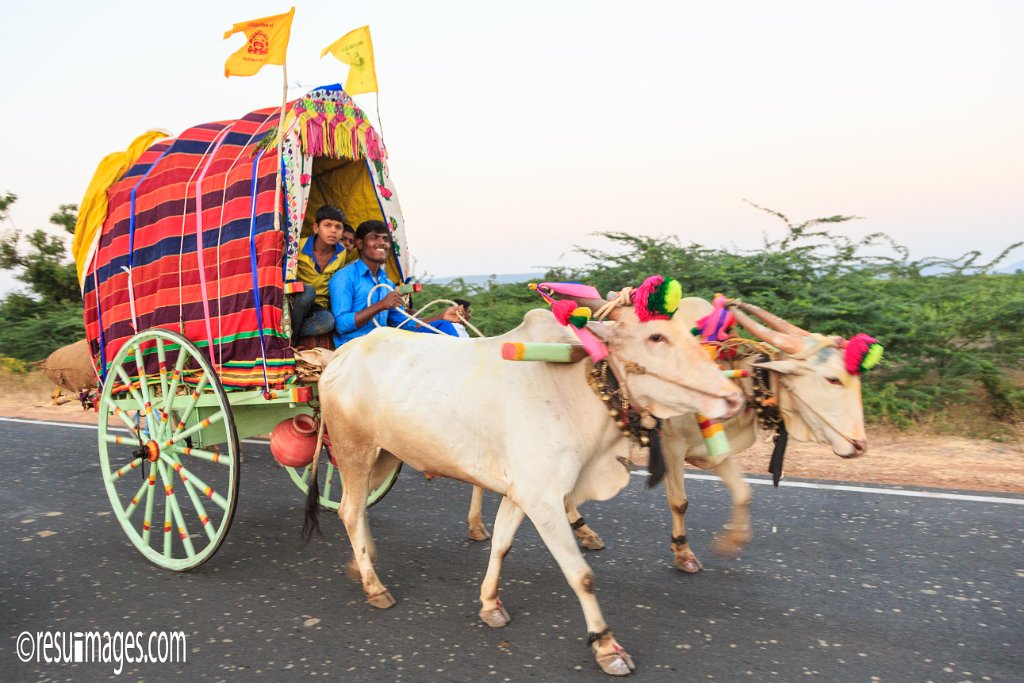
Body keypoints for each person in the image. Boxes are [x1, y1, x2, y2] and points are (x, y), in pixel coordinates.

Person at [330, 220, 462, 346]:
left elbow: (403, 324)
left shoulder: (386, 283)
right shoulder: (344, 277)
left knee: (444, 326)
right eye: (374, 238)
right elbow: (341, 325)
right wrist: (381, 305)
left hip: (381, 342)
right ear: (359, 244)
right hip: (354, 346)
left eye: (385, 239)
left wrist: (441, 316)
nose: (382, 243)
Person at [290, 205, 348, 344]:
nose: (333, 231)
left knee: (328, 322)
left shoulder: (342, 253)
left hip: (318, 306)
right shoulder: (298, 246)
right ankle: (289, 342)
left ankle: (288, 331)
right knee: (308, 291)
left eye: (338, 227)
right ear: (316, 228)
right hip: (296, 300)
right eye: (327, 225)